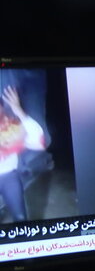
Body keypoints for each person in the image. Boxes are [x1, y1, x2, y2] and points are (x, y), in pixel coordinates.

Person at [0, 85, 47, 221]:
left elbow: (39, 143)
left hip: (9, 178)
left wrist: (19, 111)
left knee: (20, 218)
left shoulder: (13, 127)